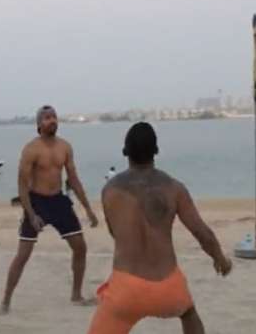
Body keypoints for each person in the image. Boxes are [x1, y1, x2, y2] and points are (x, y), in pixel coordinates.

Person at [88, 122, 232, 334]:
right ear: (156, 151)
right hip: (168, 287)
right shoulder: (174, 188)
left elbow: (115, 233)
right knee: (189, 313)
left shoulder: (110, 190)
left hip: (126, 289)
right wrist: (220, 259)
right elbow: (202, 233)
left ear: (125, 152)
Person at [0, 105, 99, 313]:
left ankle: (76, 295)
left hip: (59, 202)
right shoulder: (31, 149)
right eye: (46, 118)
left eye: (53, 117)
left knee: (80, 247)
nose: (52, 120)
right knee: (23, 254)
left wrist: (88, 209)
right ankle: (6, 301)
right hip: (36, 202)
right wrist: (31, 214)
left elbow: (73, 179)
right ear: (39, 124)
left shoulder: (65, 147)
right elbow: (22, 185)